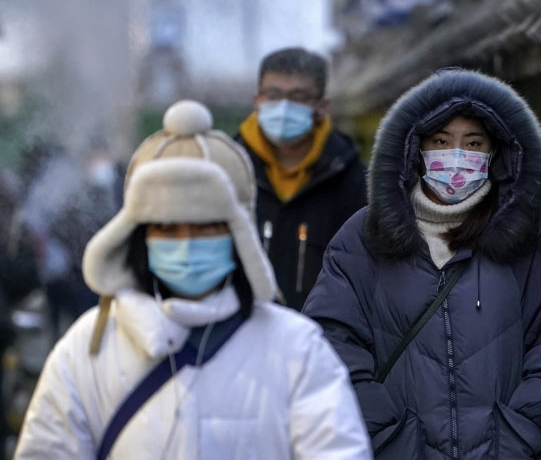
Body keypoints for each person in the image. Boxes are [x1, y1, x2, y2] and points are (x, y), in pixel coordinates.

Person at [14, 100, 372, 459]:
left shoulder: (296, 347)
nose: (186, 243)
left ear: (238, 234)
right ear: (140, 235)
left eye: (207, 225)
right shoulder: (88, 346)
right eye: (168, 227)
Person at [303, 69, 541, 459]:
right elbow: (331, 347)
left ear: (496, 152)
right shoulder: (363, 240)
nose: (457, 157)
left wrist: (517, 435)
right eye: (441, 141)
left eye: (472, 142)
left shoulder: (528, 242)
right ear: (414, 148)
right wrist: (388, 440)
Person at [235, 47, 367, 310]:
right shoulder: (229, 169)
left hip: (321, 338)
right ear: (257, 100)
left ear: (321, 106)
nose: (283, 107)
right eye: (273, 95)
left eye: (298, 97)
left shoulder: (354, 180)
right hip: (242, 333)